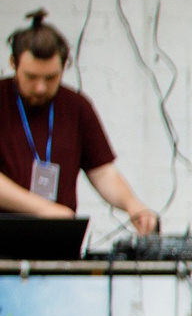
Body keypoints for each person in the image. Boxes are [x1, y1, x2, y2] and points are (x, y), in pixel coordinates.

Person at [0, 12, 160, 233]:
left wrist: (132, 205)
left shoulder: (77, 106)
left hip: (57, 241)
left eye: (50, 78)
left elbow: (103, 172)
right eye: (31, 77)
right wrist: (43, 209)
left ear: (65, 66)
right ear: (13, 64)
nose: (40, 88)